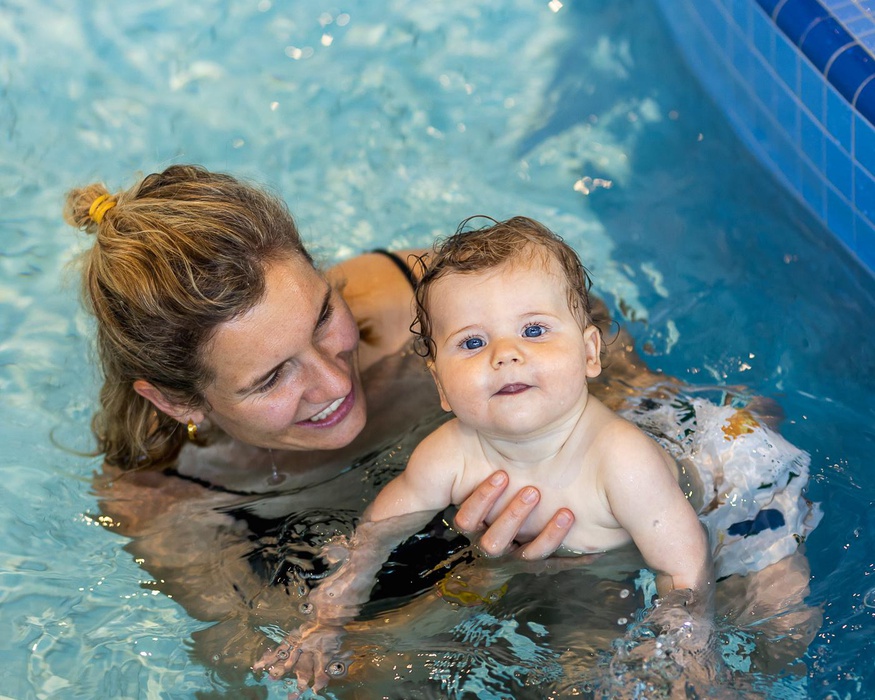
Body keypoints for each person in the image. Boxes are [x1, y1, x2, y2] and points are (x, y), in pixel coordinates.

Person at [66, 165, 662, 686]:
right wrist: (482, 580)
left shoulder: (422, 305)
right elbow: (320, 672)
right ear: (178, 403)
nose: (333, 383)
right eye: (272, 378)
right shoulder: (164, 501)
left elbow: (603, 351)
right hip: (428, 611)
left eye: (324, 314)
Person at [255, 216, 714, 694]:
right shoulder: (448, 453)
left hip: (722, 495)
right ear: (441, 385)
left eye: (534, 330)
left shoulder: (622, 461)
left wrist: (681, 651)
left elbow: (684, 573)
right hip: (580, 570)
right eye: (473, 342)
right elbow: (373, 539)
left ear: (590, 354)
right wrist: (327, 617)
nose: (505, 354)